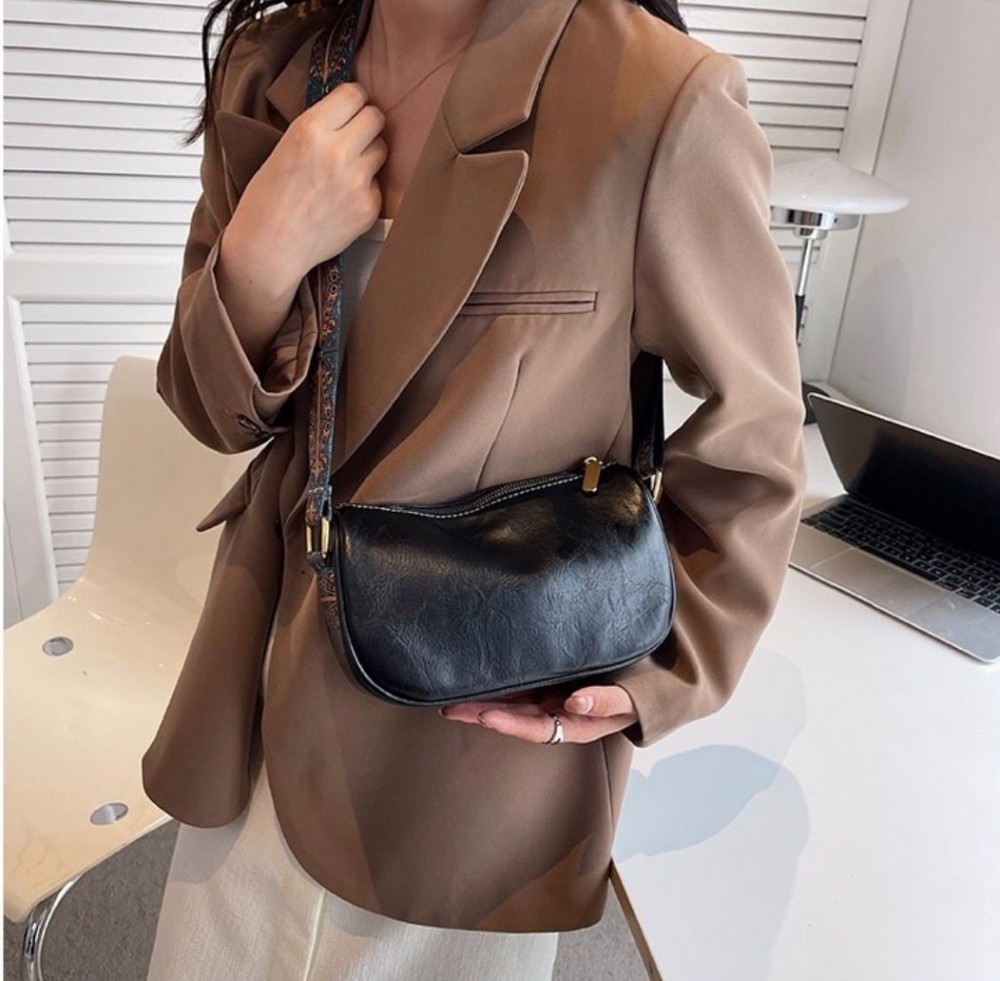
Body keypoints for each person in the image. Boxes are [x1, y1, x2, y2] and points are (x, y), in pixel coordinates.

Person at [144, 0, 808, 976]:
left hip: (478, 719)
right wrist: (256, 259)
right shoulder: (272, 65)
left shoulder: (654, 97)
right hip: (260, 676)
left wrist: (659, 666)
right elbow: (214, 414)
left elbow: (755, 438)